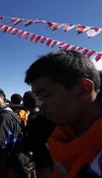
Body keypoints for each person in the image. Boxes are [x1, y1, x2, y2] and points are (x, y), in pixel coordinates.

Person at [25, 50, 102, 178]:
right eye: (38, 98)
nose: (41, 106)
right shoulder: (64, 134)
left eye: (45, 95)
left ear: (84, 90)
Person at [0, 88, 24, 178]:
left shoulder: (4, 116)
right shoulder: (11, 113)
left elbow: (0, 142)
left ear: (4, 99)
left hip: (8, 158)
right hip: (16, 156)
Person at [22, 91, 54, 178]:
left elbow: (31, 141)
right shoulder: (47, 117)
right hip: (50, 159)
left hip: (41, 161)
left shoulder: (33, 120)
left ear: (25, 105)